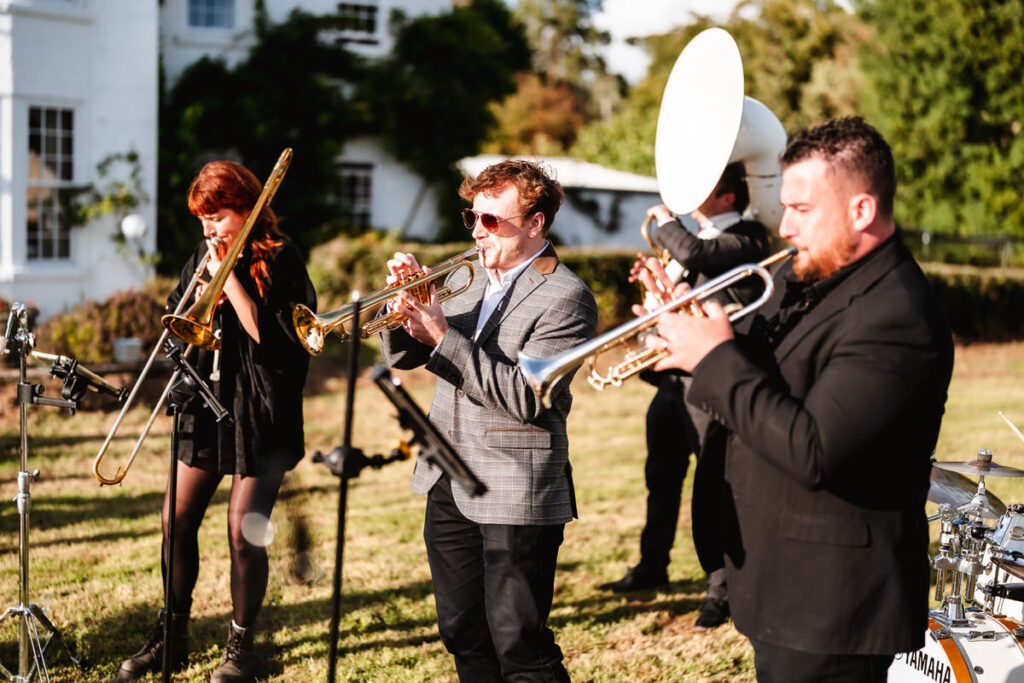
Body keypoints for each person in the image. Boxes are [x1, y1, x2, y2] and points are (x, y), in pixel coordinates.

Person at [639, 117, 954, 682]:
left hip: (834, 605)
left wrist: (714, 359)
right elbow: (766, 377)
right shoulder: (805, 277)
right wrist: (692, 326)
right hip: (781, 581)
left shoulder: (898, 315)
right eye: (783, 207)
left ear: (861, 210)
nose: (784, 227)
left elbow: (815, 450)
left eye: (802, 210)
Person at [379, 159, 598, 682]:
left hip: (514, 486)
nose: (478, 233)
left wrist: (442, 337)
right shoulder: (473, 280)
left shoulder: (566, 297)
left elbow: (526, 398)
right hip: (447, 477)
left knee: (518, 642)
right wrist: (405, 308)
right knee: (461, 631)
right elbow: (408, 356)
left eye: (492, 221)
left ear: (536, 223)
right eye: (472, 218)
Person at [115, 161, 316, 683]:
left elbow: (285, 345)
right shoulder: (202, 257)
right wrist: (199, 288)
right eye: (203, 219)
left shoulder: (281, 258)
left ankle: (241, 649)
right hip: (204, 403)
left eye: (219, 216)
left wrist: (234, 291)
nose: (209, 229)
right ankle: (171, 638)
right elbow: (177, 328)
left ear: (247, 210)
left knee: (243, 532)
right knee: (174, 521)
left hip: (261, 412)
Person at [600, 163, 770, 634]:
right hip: (674, 381)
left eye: (706, 187)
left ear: (729, 198)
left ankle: (721, 591)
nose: (693, 195)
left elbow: (697, 250)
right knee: (662, 476)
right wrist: (656, 280)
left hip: (711, 379)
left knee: (712, 484)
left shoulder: (750, 237)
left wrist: (667, 223)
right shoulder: (699, 243)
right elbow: (677, 295)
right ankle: (652, 564)